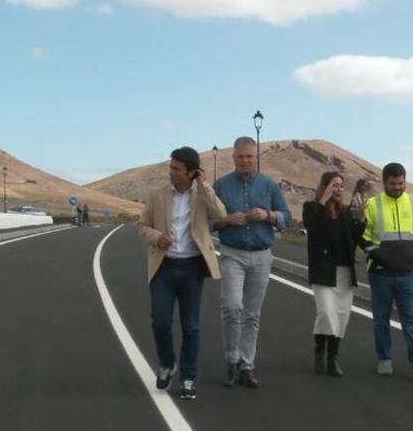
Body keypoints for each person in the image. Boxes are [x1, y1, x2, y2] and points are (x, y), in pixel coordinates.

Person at [139, 147, 227, 399]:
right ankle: (167, 364)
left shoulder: (202, 195)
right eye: (171, 167)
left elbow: (221, 214)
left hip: (191, 268)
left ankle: (188, 377)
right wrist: (156, 237)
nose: (171, 172)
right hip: (163, 268)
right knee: (161, 320)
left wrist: (205, 185)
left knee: (191, 326)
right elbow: (142, 224)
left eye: (177, 169)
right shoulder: (157, 196)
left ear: (191, 172)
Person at [212, 136, 292, 388]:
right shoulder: (221, 186)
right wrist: (226, 220)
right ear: (233, 158)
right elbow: (206, 221)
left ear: (256, 157)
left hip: (261, 254)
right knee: (232, 306)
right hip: (232, 253)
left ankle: (247, 365)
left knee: (252, 314)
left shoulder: (268, 185)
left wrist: (268, 215)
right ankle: (231, 360)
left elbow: (287, 217)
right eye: (240, 156)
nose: (245, 160)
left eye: (249, 156)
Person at [359, 162, 413, 380]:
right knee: (381, 319)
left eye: (401, 183)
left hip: (407, 273)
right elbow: (362, 236)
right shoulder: (373, 205)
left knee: (411, 318)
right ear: (384, 182)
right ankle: (384, 358)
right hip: (380, 273)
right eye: (393, 183)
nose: (397, 187)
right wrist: (379, 255)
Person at [303, 171, 364, 377]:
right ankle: (320, 349)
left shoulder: (346, 212)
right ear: (325, 187)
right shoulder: (312, 208)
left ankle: (332, 359)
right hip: (323, 271)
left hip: (344, 273)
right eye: (334, 185)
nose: (338, 189)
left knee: (341, 316)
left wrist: (361, 220)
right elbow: (313, 226)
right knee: (326, 313)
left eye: (340, 186)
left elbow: (354, 239)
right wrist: (323, 200)